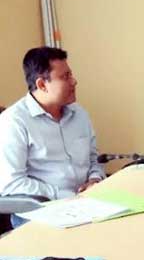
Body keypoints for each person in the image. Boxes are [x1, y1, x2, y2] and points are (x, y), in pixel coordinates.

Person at [0, 47, 105, 227]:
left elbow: (95, 159)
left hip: (86, 206)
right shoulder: (13, 121)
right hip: (39, 215)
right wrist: (66, 196)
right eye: (65, 77)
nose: (74, 81)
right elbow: (11, 184)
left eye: (71, 74)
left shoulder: (79, 114)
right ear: (42, 85)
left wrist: (95, 180)